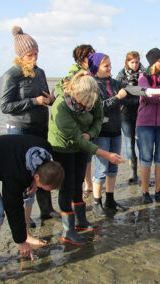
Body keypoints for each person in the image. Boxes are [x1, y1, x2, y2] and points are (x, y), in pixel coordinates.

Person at [88, 52, 160, 215]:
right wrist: (117, 98)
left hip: (115, 130)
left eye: (110, 65)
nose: (110, 68)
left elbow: (136, 89)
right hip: (100, 132)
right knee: (101, 170)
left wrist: (158, 91)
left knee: (113, 169)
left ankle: (110, 199)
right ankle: (96, 202)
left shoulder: (114, 82)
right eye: (106, 66)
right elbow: (96, 107)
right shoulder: (91, 84)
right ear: (96, 68)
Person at [0, 135, 64, 275]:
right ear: (36, 176)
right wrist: (20, 242)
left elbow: (36, 175)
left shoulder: (45, 151)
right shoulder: (16, 174)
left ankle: (26, 234)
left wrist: (35, 185)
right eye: (42, 186)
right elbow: (13, 208)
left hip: (3, 159)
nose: (41, 188)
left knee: (28, 191)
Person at [49, 71, 123, 245]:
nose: (88, 105)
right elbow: (77, 139)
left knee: (78, 183)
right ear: (75, 91)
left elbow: (99, 120)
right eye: (84, 101)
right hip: (63, 146)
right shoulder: (61, 106)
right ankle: (68, 231)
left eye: (91, 101)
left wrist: (90, 134)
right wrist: (106, 155)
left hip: (83, 143)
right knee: (67, 186)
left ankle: (81, 221)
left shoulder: (93, 96)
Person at [0, 26, 58, 223]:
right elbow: (5, 106)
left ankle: (47, 209)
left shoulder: (40, 72)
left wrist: (50, 99)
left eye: (36, 54)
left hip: (40, 128)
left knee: (43, 169)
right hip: (20, 130)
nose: (34, 58)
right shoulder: (12, 75)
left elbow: (44, 98)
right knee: (24, 173)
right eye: (30, 55)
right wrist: (34, 102)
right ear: (20, 55)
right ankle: (24, 218)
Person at [54, 44, 96, 198]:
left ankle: (87, 184)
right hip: (72, 132)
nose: (93, 59)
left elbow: (97, 109)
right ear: (82, 59)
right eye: (90, 56)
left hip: (86, 127)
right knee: (69, 179)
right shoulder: (75, 75)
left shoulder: (91, 74)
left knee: (85, 160)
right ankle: (86, 185)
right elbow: (62, 90)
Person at [137, 48, 160, 204]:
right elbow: (145, 95)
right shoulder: (142, 78)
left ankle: (158, 191)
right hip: (145, 123)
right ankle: (145, 192)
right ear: (152, 62)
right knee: (145, 159)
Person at [116, 51, 145, 185]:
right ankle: (133, 173)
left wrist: (140, 101)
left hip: (142, 113)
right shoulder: (121, 76)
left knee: (141, 143)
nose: (134, 65)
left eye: (137, 62)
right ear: (127, 62)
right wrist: (135, 101)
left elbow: (147, 92)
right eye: (132, 62)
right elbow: (120, 97)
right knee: (129, 143)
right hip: (126, 113)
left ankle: (144, 171)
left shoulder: (144, 74)